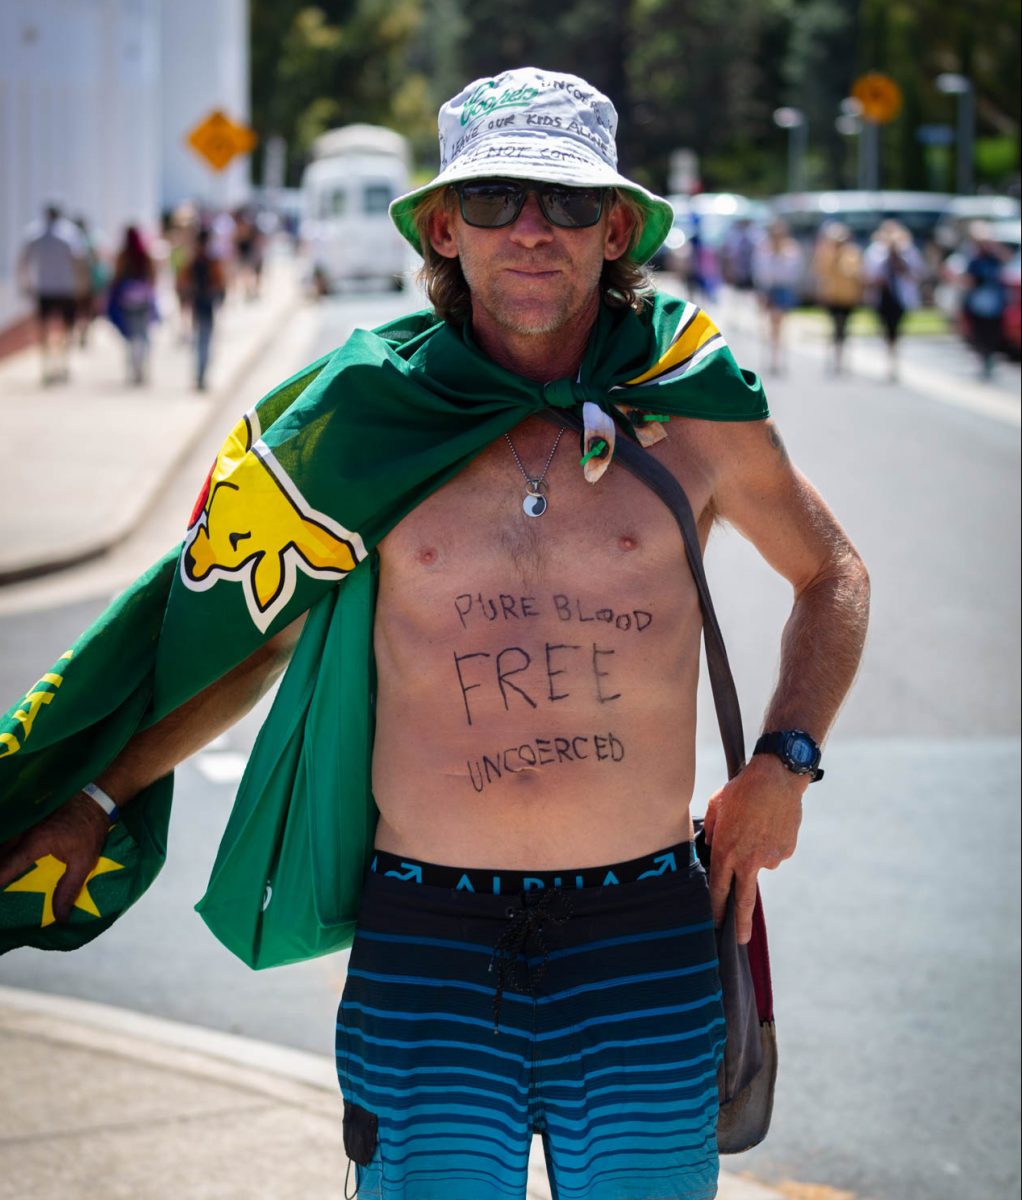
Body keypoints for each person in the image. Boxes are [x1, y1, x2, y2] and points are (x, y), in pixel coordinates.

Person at [0, 68, 869, 1200]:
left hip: (640, 933)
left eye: (564, 204)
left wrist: (784, 761)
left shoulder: (688, 405)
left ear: (614, 228)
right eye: (498, 199)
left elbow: (831, 571)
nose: (530, 231)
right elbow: (241, 636)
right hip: (431, 941)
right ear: (443, 226)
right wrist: (95, 798)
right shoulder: (361, 425)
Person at [16, 203, 86, 384]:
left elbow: (23, 261)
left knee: (44, 327)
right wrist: (81, 283)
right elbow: (78, 260)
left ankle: (47, 364)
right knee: (66, 327)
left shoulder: (34, 234)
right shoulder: (69, 234)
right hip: (65, 287)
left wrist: (25, 283)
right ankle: (62, 363)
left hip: (44, 287)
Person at [863, 219, 924, 383]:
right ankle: (890, 358)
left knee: (896, 330)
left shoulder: (908, 253)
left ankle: (893, 359)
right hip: (883, 297)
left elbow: (916, 274)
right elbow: (870, 275)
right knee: (886, 329)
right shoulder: (876, 252)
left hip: (900, 298)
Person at [107, 225, 158, 385]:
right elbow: (152, 276)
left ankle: (134, 368)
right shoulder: (144, 254)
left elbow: (116, 276)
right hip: (143, 299)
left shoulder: (123, 256)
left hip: (127, 300)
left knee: (131, 336)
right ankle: (141, 368)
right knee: (143, 335)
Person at [812, 221, 864, 376]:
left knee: (844, 329)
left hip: (847, 297)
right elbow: (821, 272)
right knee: (834, 328)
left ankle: (842, 359)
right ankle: (832, 358)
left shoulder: (852, 253)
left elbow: (854, 273)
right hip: (832, 296)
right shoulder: (826, 253)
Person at [177, 227, 226, 390]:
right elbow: (220, 285)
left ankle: (200, 374)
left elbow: (183, 283)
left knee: (201, 341)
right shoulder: (210, 261)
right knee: (204, 341)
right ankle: (201, 374)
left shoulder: (195, 261)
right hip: (206, 306)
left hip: (199, 306)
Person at [752, 219, 803, 375]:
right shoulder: (764, 249)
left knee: (780, 323)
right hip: (769, 289)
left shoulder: (791, 250)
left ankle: (778, 357)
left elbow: (792, 272)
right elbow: (760, 271)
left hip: (782, 289)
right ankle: (772, 356)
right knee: (769, 325)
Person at [960, 221, 1010, 380]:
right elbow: (968, 280)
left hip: (995, 303)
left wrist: (994, 246)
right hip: (978, 302)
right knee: (979, 333)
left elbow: (1007, 259)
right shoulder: (973, 260)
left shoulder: (994, 257)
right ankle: (984, 358)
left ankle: (989, 357)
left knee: (993, 332)